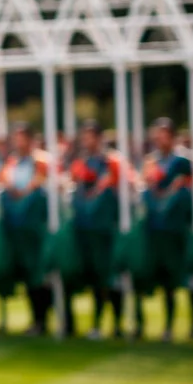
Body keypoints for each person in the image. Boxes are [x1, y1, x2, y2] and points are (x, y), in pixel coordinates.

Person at [137, 118, 193, 341]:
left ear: (172, 136)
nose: (158, 139)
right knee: (165, 280)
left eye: (162, 135)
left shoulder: (184, 160)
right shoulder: (152, 161)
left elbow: (189, 187)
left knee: (190, 277)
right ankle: (169, 325)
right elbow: (147, 185)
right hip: (157, 229)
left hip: (180, 228)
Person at [67, 121, 122, 338]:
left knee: (109, 276)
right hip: (86, 229)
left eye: (90, 136)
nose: (86, 141)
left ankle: (115, 323)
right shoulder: (82, 162)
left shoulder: (111, 162)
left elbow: (109, 187)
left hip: (106, 229)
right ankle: (94, 323)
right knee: (94, 277)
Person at [0, 123, 53, 335]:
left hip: (36, 227)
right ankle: (37, 320)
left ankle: (44, 319)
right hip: (17, 228)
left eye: (21, 138)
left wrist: (22, 193)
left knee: (41, 274)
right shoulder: (13, 161)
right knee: (29, 275)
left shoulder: (42, 161)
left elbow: (38, 184)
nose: (17, 142)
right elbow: (5, 181)